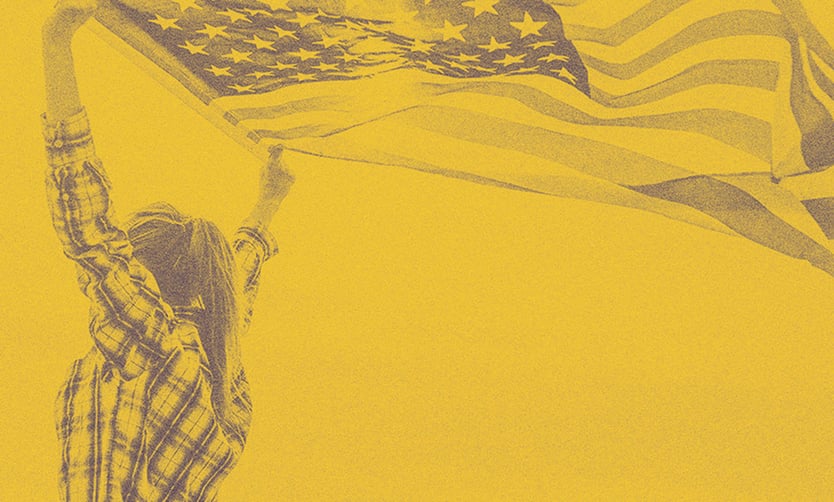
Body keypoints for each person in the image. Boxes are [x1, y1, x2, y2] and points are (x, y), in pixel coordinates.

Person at [42, 0, 294, 499]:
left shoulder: (148, 345)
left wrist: (57, 42)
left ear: (139, 273)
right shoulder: (214, 365)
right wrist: (267, 204)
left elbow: (91, 234)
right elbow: (233, 283)